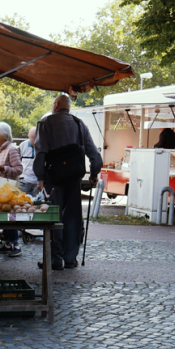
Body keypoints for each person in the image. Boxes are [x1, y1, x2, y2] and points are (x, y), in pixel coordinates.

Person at [34, 94, 102, 270]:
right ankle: (70, 259)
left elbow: (40, 151)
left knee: (53, 217)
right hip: (74, 177)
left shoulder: (46, 123)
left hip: (53, 178)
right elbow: (93, 153)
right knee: (73, 218)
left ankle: (55, 260)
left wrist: (40, 176)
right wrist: (94, 173)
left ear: (56, 104)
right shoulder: (80, 124)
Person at [0, 121, 24, 257]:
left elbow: (19, 169)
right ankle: (7, 244)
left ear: (4, 136)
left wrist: (3, 168)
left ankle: (16, 245)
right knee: (4, 216)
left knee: (11, 216)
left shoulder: (11, 149)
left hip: (11, 189)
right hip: (1, 188)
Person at [18, 126, 38, 196]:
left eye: (35, 137)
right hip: (24, 181)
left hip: (37, 182)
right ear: (28, 136)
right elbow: (17, 162)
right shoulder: (22, 145)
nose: (34, 140)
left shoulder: (42, 146)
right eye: (32, 137)